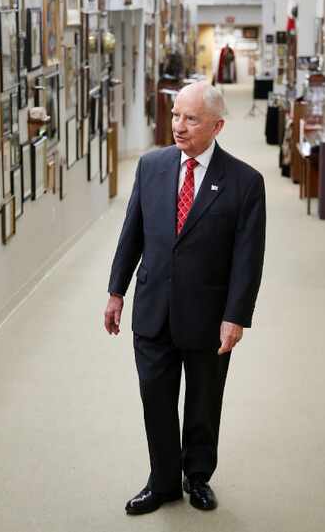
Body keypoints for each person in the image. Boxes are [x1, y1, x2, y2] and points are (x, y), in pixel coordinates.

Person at [104, 82, 266, 516]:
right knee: (155, 400)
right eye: (176, 115)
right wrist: (116, 290)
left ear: (217, 126)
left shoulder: (245, 183)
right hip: (153, 310)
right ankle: (162, 482)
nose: (178, 126)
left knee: (202, 403)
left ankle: (197, 477)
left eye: (190, 119)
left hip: (208, 317)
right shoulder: (151, 166)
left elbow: (248, 260)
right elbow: (131, 234)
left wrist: (236, 318)